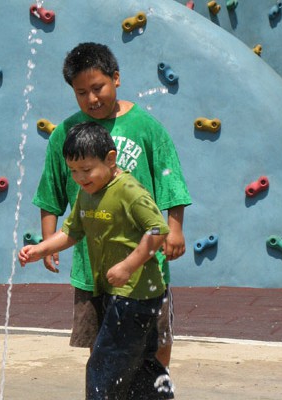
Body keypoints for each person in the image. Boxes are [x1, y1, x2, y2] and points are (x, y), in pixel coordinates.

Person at [32, 42, 191, 399]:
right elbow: (51, 190)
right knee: (102, 348)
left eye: (98, 87)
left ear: (116, 78)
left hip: (145, 263)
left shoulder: (145, 126)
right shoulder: (66, 133)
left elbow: (169, 178)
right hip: (94, 268)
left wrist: (175, 228)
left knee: (155, 343)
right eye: (81, 92)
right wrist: (47, 241)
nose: (91, 98)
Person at [20, 121, 171, 398]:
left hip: (136, 293)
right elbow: (72, 231)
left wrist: (128, 265)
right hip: (113, 291)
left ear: (111, 159)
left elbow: (158, 230)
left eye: (86, 170)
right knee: (140, 363)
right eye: (74, 171)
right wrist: (40, 249)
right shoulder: (87, 192)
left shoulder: (128, 191)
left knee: (104, 365)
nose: (79, 177)